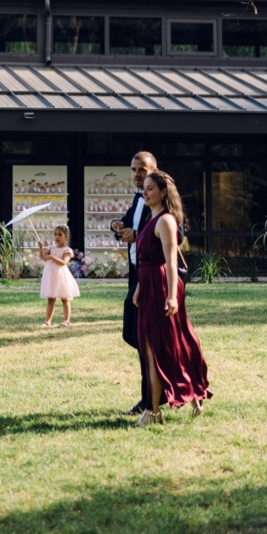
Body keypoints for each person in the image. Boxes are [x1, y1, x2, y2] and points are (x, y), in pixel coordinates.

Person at [132, 170, 211, 425]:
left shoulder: (165, 221)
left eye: (150, 188)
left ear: (163, 192)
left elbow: (171, 260)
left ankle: (153, 411)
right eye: (143, 188)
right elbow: (145, 259)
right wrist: (138, 288)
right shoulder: (151, 218)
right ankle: (192, 394)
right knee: (161, 346)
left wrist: (172, 296)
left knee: (157, 347)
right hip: (148, 285)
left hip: (163, 287)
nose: (144, 192)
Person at [110, 150, 156, 414]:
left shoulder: (161, 198)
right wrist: (118, 226)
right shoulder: (138, 198)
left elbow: (176, 233)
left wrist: (136, 234)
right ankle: (157, 386)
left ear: (154, 170)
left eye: (143, 169)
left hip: (151, 276)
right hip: (135, 274)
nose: (137, 174)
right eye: (134, 169)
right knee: (134, 334)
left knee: (146, 339)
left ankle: (150, 398)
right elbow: (128, 226)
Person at [38, 225, 81, 327]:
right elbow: (43, 257)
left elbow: (63, 262)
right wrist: (40, 247)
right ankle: (47, 321)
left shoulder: (67, 250)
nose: (57, 237)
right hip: (51, 274)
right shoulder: (51, 247)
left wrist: (52, 257)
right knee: (51, 298)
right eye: (55, 234)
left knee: (64, 297)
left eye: (60, 235)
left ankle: (66, 320)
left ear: (66, 237)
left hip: (61, 275)